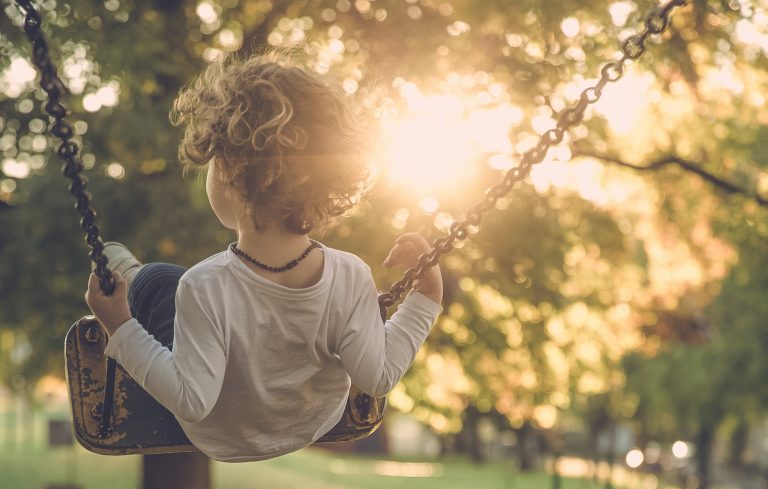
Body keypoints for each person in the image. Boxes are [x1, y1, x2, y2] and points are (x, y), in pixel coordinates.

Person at [84, 51, 443, 462]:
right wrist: (425, 299)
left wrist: (119, 326)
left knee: (158, 281)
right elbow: (377, 377)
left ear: (232, 171)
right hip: (312, 423)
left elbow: (191, 400)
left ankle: (132, 278)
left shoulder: (202, 286)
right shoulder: (351, 275)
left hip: (222, 435)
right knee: (173, 286)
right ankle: (134, 276)